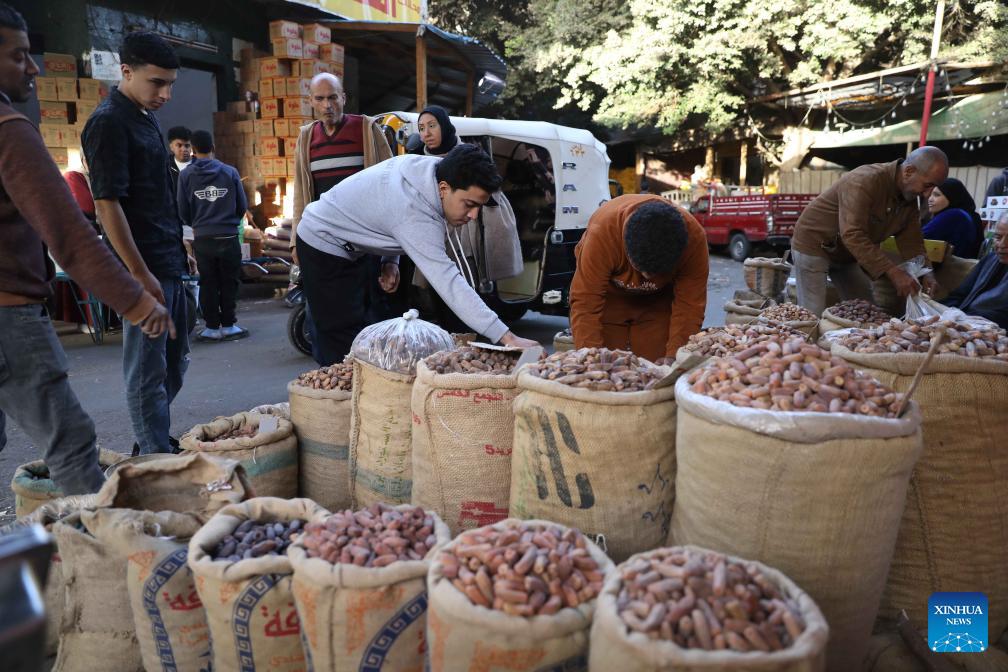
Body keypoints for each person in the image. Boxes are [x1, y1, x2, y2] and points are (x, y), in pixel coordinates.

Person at [0, 3, 173, 494]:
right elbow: (71, 233)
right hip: (9, 317)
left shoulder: (146, 121)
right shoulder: (12, 132)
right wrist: (137, 300)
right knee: (72, 445)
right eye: (18, 56)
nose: (33, 68)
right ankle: (102, 541)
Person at [296, 144, 539, 365]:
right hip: (322, 240)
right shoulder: (414, 212)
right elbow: (449, 281)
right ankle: (344, 394)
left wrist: (390, 260)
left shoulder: (432, 171)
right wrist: (507, 337)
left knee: (370, 327)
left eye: (479, 206)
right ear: (444, 188)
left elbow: (382, 211)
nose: (473, 216)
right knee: (341, 338)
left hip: (355, 243)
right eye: (469, 204)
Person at [83, 31, 194, 455]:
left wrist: (182, 248)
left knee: (175, 360)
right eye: (157, 83)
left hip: (168, 259)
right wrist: (138, 273)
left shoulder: (144, 115)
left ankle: (150, 442)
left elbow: (156, 196)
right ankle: (154, 454)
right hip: (143, 268)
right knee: (147, 368)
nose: (165, 94)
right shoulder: (108, 122)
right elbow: (106, 205)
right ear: (126, 72)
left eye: (171, 84)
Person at [289, 73, 393, 363]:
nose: (327, 105)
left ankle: (371, 376)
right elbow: (301, 194)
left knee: (369, 318)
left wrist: (391, 258)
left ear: (343, 98)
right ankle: (333, 378)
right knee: (324, 321)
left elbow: (390, 186)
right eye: (320, 99)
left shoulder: (366, 129)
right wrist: (296, 240)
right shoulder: (307, 137)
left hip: (365, 243)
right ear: (311, 102)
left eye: (333, 97)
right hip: (322, 245)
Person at [791, 146, 948, 316]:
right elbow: (853, 234)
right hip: (814, 243)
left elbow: (912, 242)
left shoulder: (909, 198)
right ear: (908, 171)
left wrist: (927, 273)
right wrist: (894, 273)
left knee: (865, 311)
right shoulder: (864, 180)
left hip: (847, 253)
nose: (927, 194)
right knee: (811, 313)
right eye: (927, 185)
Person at [569, 195, 709, 363]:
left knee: (658, 365)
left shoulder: (694, 240)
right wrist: (591, 361)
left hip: (657, 303)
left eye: (657, 273)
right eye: (640, 270)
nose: (646, 277)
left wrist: (675, 357)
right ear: (626, 249)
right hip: (609, 301)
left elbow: (690, 305)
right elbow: (585, 303)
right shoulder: (603, 234)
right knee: (607, 362)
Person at [409, 105, 523, 294]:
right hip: (433, 233)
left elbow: (490, 189)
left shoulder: (469, 155)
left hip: (468, 234)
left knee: (467, 287)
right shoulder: (416, 162)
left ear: (444, 126)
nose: (426, 133)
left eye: (432, 126)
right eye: (421, 128)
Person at [177, 130, 249, 342]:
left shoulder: (185, 175)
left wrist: (198, 224)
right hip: (228, 237)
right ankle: (229, 325)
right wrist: (229, 222)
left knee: (208, 282)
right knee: (229, 282)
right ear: (213, 148)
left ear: (193, 150)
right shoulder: (230, 172)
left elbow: (182, 209)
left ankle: (211, 328)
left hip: (203, 239)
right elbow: (242, 206)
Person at [942, 212, 1008, 329]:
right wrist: (947, 314)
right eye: (998, 237)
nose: (1002, 244)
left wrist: (970, 321)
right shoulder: (991, 259)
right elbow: (959, 295)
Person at [923, 177, 983, 259]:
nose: (930, 199)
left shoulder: (954, 215)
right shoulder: (970, 214)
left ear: (951, 196)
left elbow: (918, 238)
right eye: (930, 195)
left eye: (936, 195)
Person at [166, 125, 192, 195]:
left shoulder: (200, 165)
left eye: (187, 146)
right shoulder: (165, 166)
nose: (183, 149)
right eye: (179, 145)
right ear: (171, 147)